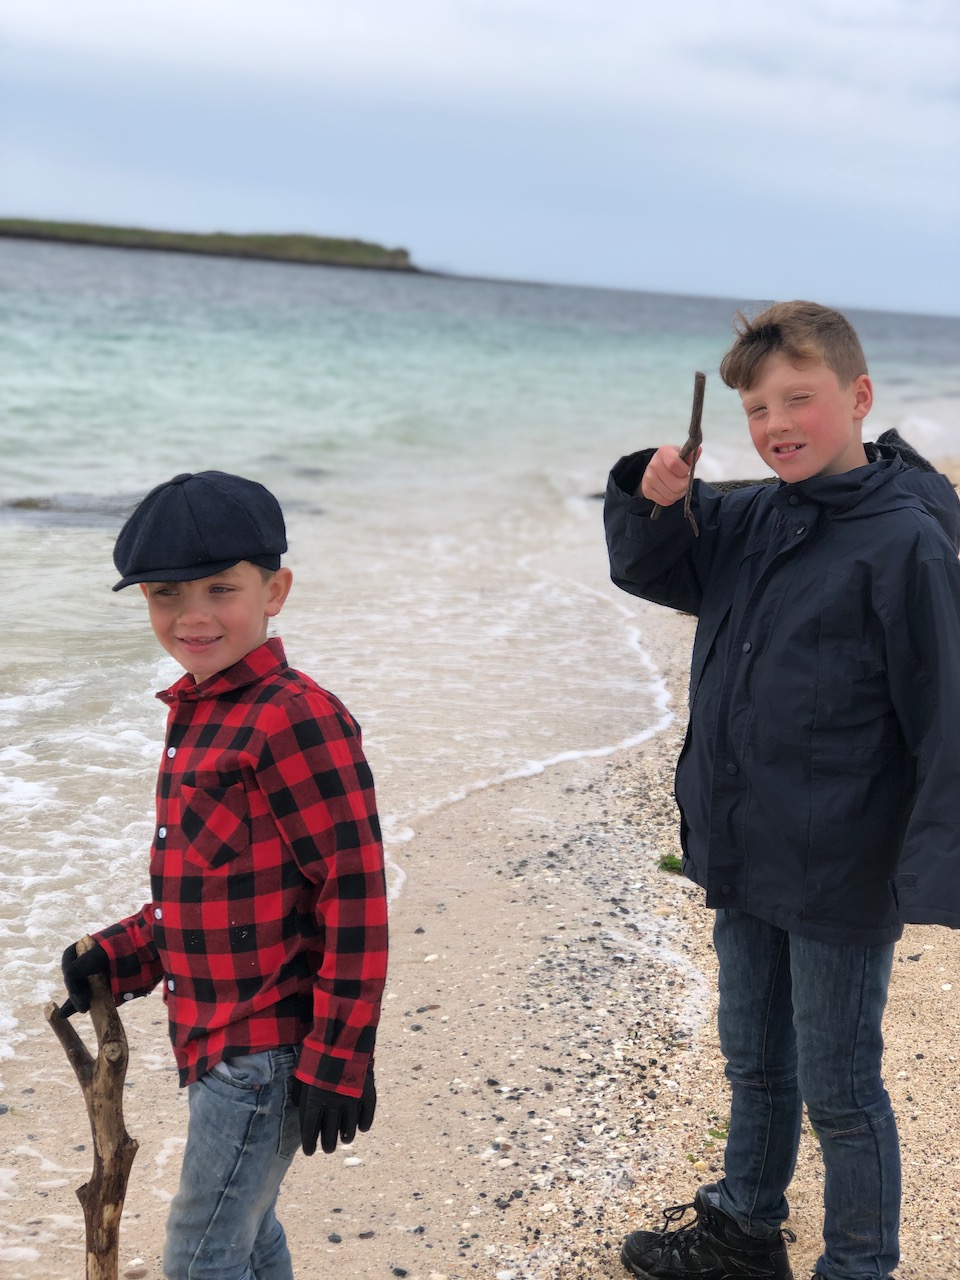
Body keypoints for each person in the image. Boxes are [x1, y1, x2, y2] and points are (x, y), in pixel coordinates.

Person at [603, 301, 960, 1280]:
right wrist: (652, 493)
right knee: (755, 1060)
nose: (776, 425)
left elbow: (944, 712)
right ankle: (743, 1231)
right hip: (745, 838)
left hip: (842, 863)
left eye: (799, 399)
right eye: (757, 410)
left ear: (859, 396)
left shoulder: (906, 541)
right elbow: (653, 565)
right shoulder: (753, 514)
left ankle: (859, 1264)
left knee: (841, 1089)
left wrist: (934, 867)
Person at [58, 470, 388, 1280]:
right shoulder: (200, 711)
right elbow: (216, 889)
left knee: (201, 1253)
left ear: (275, 591)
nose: (193, 615)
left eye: (220, 589)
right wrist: (120, 955)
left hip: (266, 1050)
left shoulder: (293, 716)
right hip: (216, 1038)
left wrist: (339, 1059)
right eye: (166, 594)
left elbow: (352, 896)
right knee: (245, 1230)